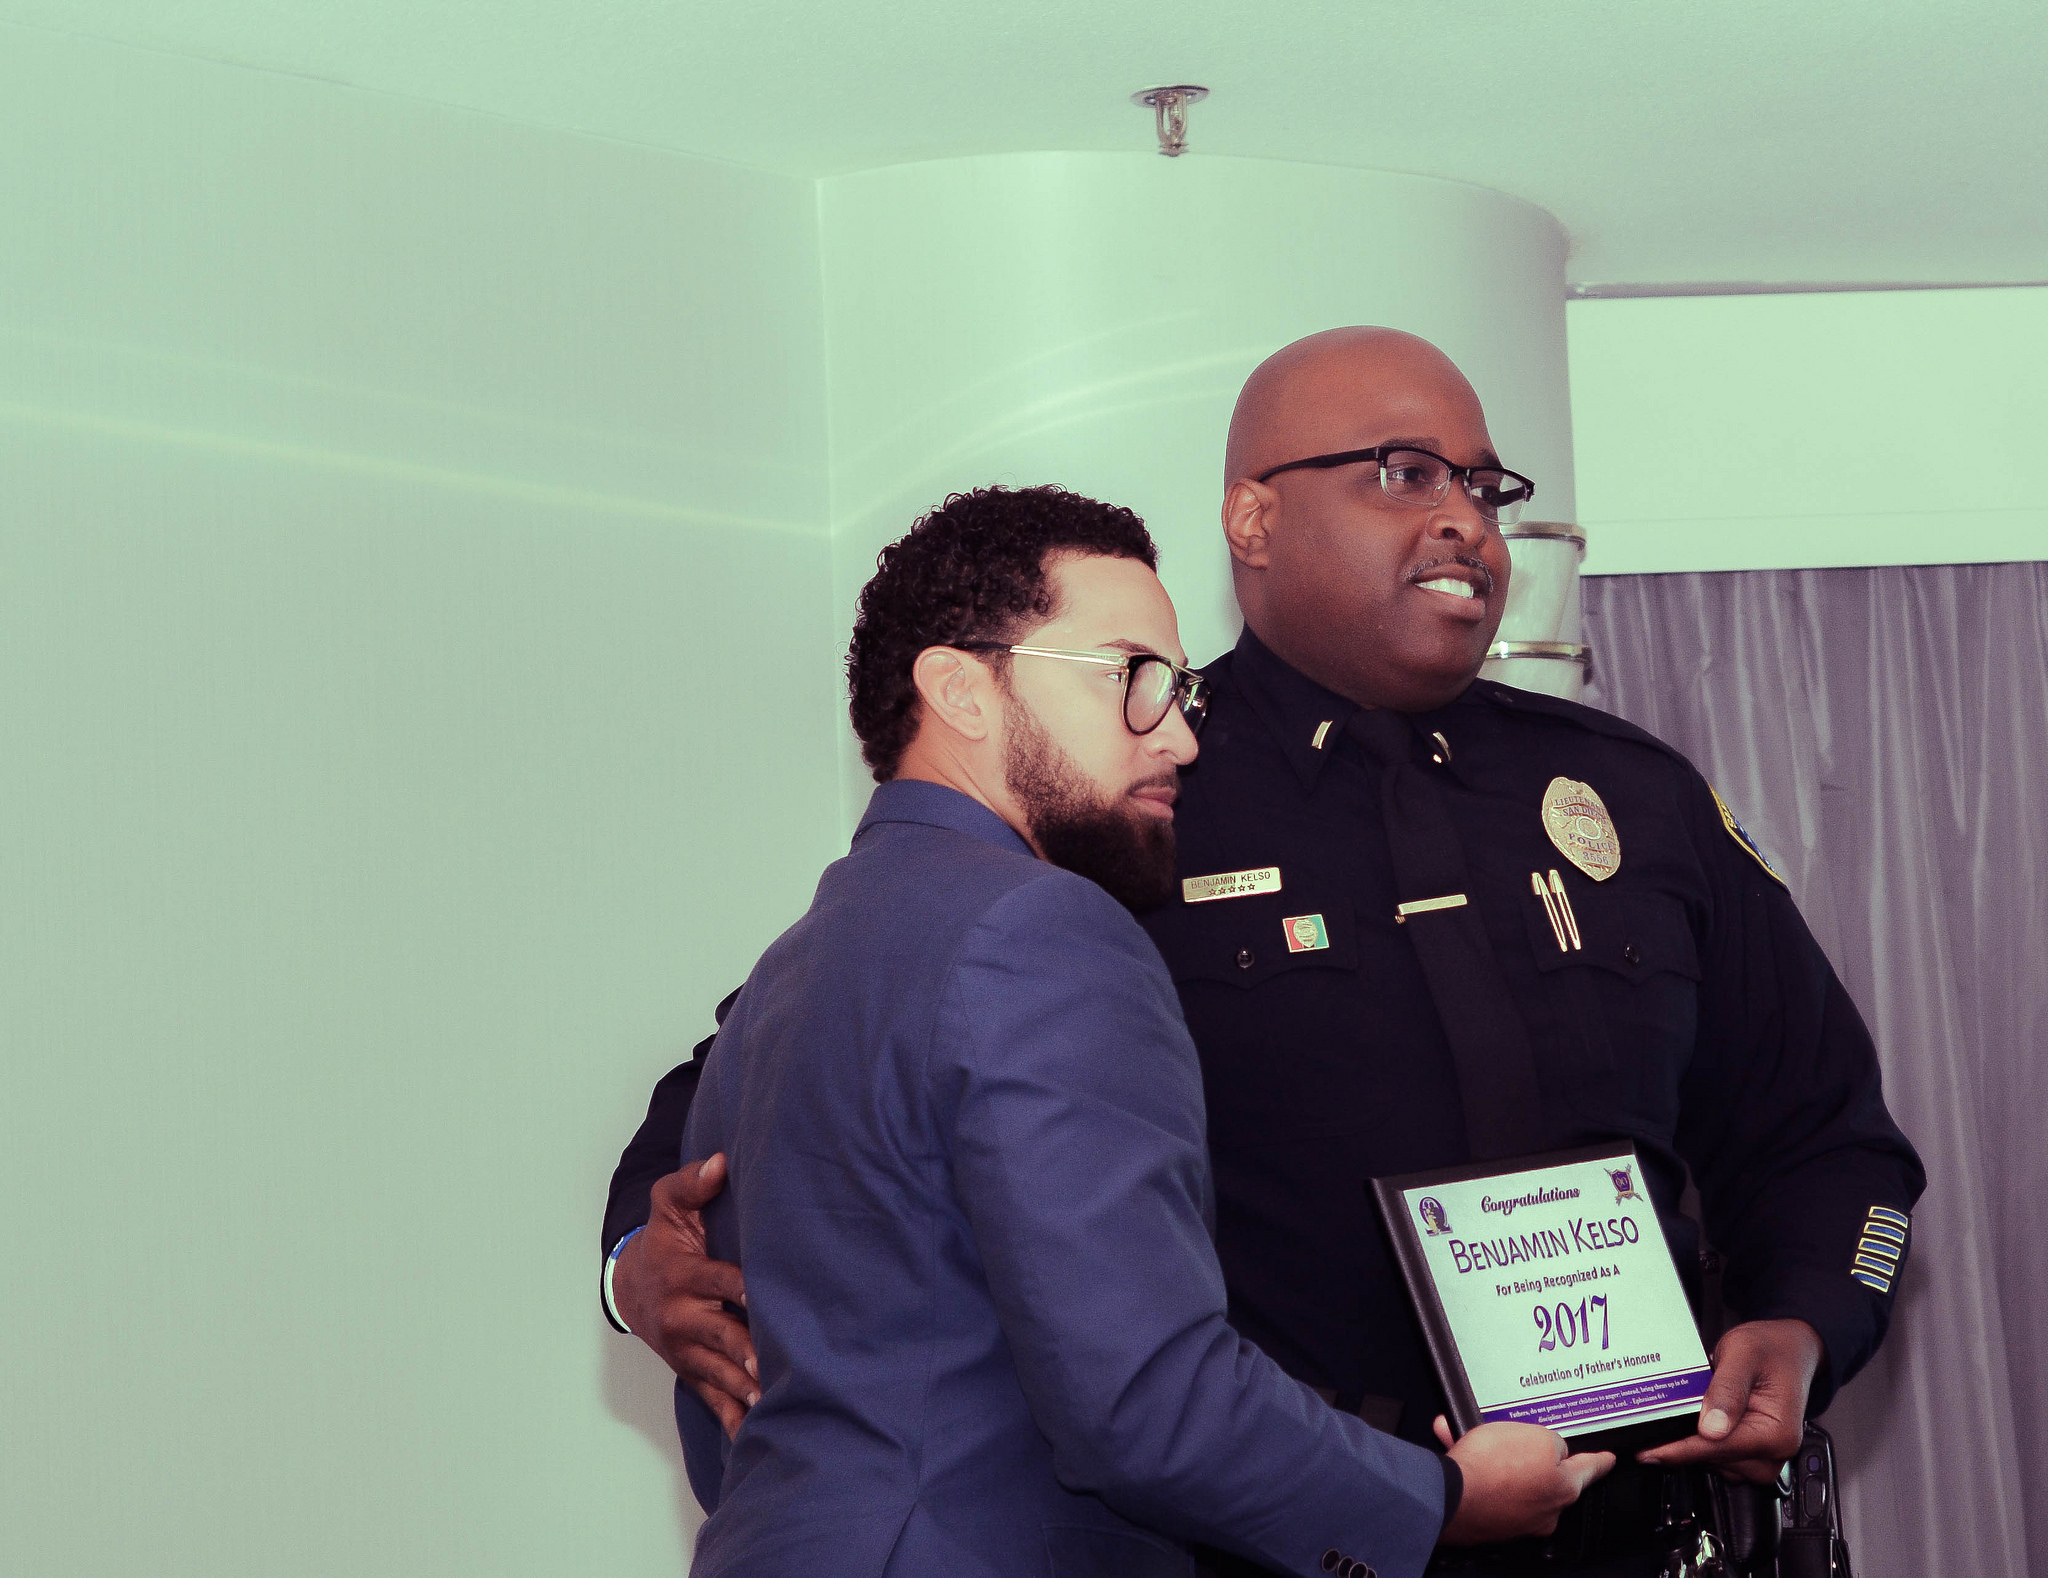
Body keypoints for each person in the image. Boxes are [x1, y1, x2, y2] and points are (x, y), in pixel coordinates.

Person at [602, 331, 1925, 1576]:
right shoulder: (1117, 804)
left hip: (1642, 1524)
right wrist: (638, 1267)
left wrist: (1809, 1320)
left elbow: (1830, 1135)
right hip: (1297, 1530)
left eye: (1482, 485)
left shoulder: (1633, 796)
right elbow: (795, 1063)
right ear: (1251, 520)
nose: (1462, 518)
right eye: (1402, 472)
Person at [662, 485, 1606, 1578]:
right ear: (959, 690)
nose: (1181, 735)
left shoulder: (793, 965)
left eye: (1182, 688)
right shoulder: (1041, 930)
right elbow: (1145, 1400)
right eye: (1130, 676)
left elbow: (731, 1410)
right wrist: (1440, 1500)